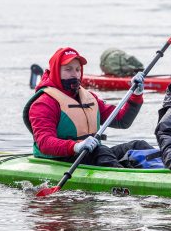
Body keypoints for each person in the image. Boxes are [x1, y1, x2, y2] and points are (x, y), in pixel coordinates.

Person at [23, 47, 153, 167]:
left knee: (139, 145)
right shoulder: (44, 103)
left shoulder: (90, 97)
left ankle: (167, 170)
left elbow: (122, 120)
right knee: (100, 151)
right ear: (56, 72)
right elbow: (44, 142)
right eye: (68, 69)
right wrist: (75, 146)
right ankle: (127, 180)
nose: (75, 74)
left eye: (78, 69)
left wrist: (136, 95)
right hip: (59, 160)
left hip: (93, 154)